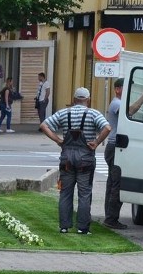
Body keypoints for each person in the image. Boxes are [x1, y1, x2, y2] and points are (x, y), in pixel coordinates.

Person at [40, 87, 111, 235]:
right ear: (88, 100)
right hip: (85, 157)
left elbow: (44, 125)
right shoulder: (93, 113)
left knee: (65, 192)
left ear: (74, 100)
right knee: (84, 194)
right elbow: (107, 128)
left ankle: (64, 226)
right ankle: (82, 228)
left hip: (67, 157)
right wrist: (97, 142)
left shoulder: (64, 113)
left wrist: (58, 140)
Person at [103, 78, 143, 229]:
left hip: (113, 147)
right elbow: (130, 111)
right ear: (118, 89)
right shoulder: (116, 104)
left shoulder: (118, 103)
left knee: (112, 183)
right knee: (116, 184)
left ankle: (109, 216)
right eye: (126, 88)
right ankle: (111, 218)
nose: (128, 91)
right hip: (115, 147)